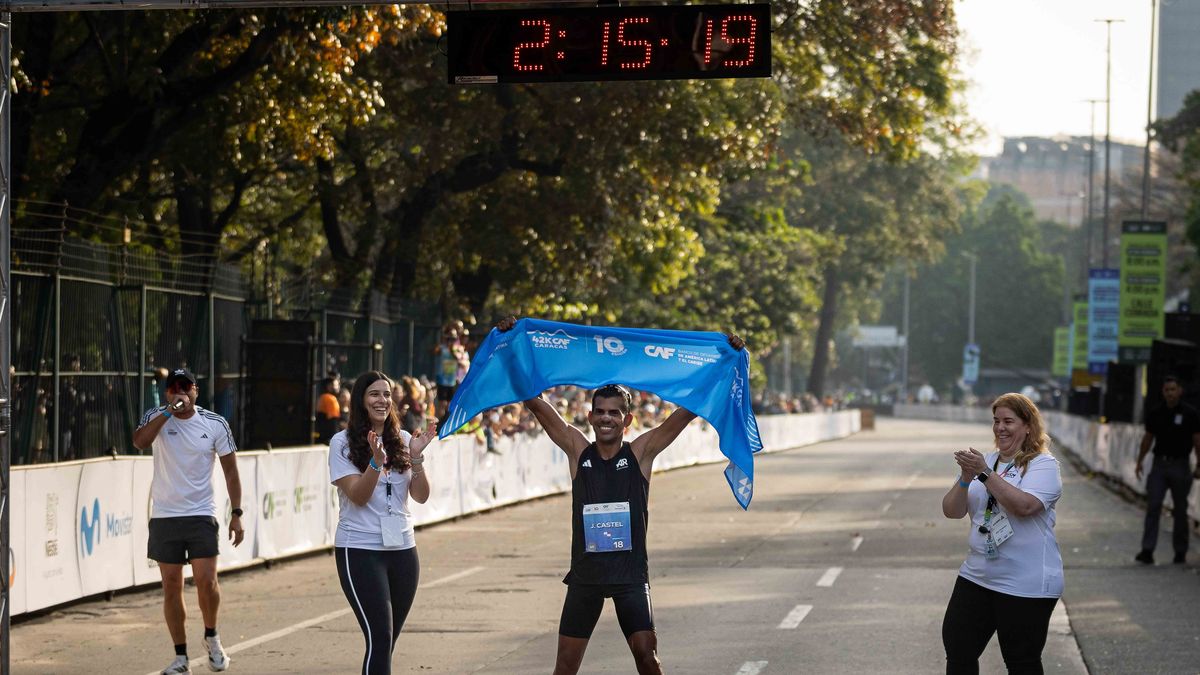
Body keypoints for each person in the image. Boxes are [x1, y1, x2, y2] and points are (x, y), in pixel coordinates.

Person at [497, 316, 744, 675]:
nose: (606, 419)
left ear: (627, 421)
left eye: (614, 413)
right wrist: (508, 347)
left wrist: (724, 361)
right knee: (565, 666)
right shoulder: (577, 450)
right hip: (587, 577)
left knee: (647, 656)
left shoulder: (641, 453)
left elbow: (686, 412)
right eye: (600, 412)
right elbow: (535, 403)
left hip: (629, 575)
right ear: (590, 417)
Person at [940, 392, 1063, 675]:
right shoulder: (989, 461)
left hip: (1025, 582)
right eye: (996, 421)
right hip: (978, 575)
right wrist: (965, 478)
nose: (1000, 428)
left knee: (1021, 662)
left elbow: (1024, 506)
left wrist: (983, 473)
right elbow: (952, 511)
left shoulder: (1043, 465)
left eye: (1009, 421)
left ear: (1028, 425)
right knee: (958, 650)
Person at [132, 367, 243, 675]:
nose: (180, 392)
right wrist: (167, 413)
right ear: (168, 392)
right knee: (171, 585)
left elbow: (231, 471)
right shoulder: (156, 415)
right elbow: (139, 442)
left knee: (207, 581)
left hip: (200, 513)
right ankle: (181, 657)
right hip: (166, 514)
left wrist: (237, 513)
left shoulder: (215, 423)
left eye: (187, 387)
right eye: (174, 387)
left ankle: (212, 635)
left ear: (196, 390)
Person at [329, 371, 437, 675]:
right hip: (360, 549)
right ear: (361, 401)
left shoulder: (403, 439)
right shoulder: (341, 443)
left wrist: (416, 460)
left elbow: (421, 496)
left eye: (387, 394)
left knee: (386, 643)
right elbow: (359, 496)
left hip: (403, 549)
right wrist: (375, 462)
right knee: (380, 637)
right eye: (374, 394)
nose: (383, 400)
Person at [1133, 375, 1200, 565]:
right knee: (1153, 506)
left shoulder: (1190, 414)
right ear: (1163, 392)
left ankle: (1180, 552)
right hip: (1159, 465)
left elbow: (1197, 441)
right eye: (1166, 390)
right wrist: (1140, 461)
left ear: (1180, 391)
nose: (1170, 393)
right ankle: (1147, 550)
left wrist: (1199, 464)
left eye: (1173, 389)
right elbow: (1148, 439)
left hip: (1181, 465)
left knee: (1180, 509)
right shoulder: (1156, 413)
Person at [433, 324, 470, 422]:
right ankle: (437, 424)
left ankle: (445, 423)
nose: (451, 341)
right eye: (449, 338)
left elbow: (460, 360)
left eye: (453, 338)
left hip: (452, 381)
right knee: (442, 404)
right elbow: (435, 351)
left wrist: (453, 350)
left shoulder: (458, 349)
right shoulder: (441, 348)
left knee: (449, 405)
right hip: (442, 380)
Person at [316, 374, 342, 444]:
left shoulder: (322, 397)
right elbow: (333, 421)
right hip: (328, 438)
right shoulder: (330, 399)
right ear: (329, 386)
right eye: (336, 385)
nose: (338, 387)